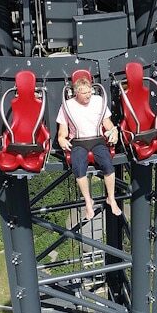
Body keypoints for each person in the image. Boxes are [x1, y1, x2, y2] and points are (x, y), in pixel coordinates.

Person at [57, 75, 121, 220]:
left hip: (97, 138)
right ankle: (88, 201)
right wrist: (61, 138)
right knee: (78, 168)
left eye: (89, 92)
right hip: (79, 140)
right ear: (76, 93)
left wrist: (113, 131)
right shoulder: (67, 105)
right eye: (84, 93)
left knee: (107, 164)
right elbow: (63, 130)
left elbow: (107, 123)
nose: (88, 95)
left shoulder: (98, 101)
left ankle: (111, 198)